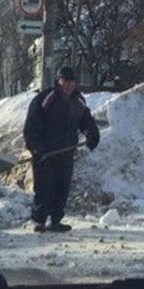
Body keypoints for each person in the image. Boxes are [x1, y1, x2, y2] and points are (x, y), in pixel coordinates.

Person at [23, 66, 100, 233]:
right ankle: (40, 221)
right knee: (44, 187)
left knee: (62, 186)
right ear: (58, 81)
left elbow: (85, 120)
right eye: (65, 81)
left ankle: (56, 220)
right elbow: (31, 126)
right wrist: (36, 147)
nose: (69, 85)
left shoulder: (78, 100)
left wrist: (91, 133)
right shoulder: (46, 99)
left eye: (72, 81)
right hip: (45, 153)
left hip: (66, 152)